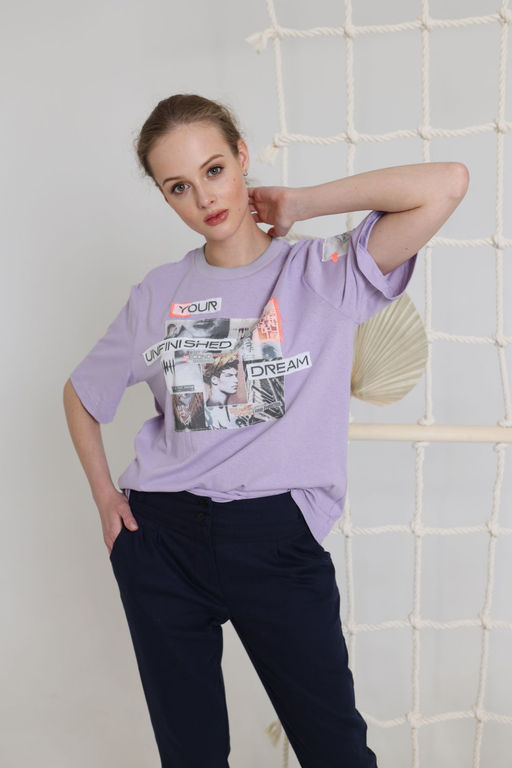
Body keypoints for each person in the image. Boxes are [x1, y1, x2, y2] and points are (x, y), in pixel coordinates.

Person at [62, 93, 469, 768]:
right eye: (178, 187)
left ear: (242, 157)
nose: (204, 197)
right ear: (164, 197)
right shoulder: (157, 293)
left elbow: (446, 183)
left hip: (276, 540)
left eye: (214, 169)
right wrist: (106, 498)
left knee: (337, 753)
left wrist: (302, 203)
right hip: (162, 538)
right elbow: (81, 394)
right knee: (191, 757)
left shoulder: (322, 272)